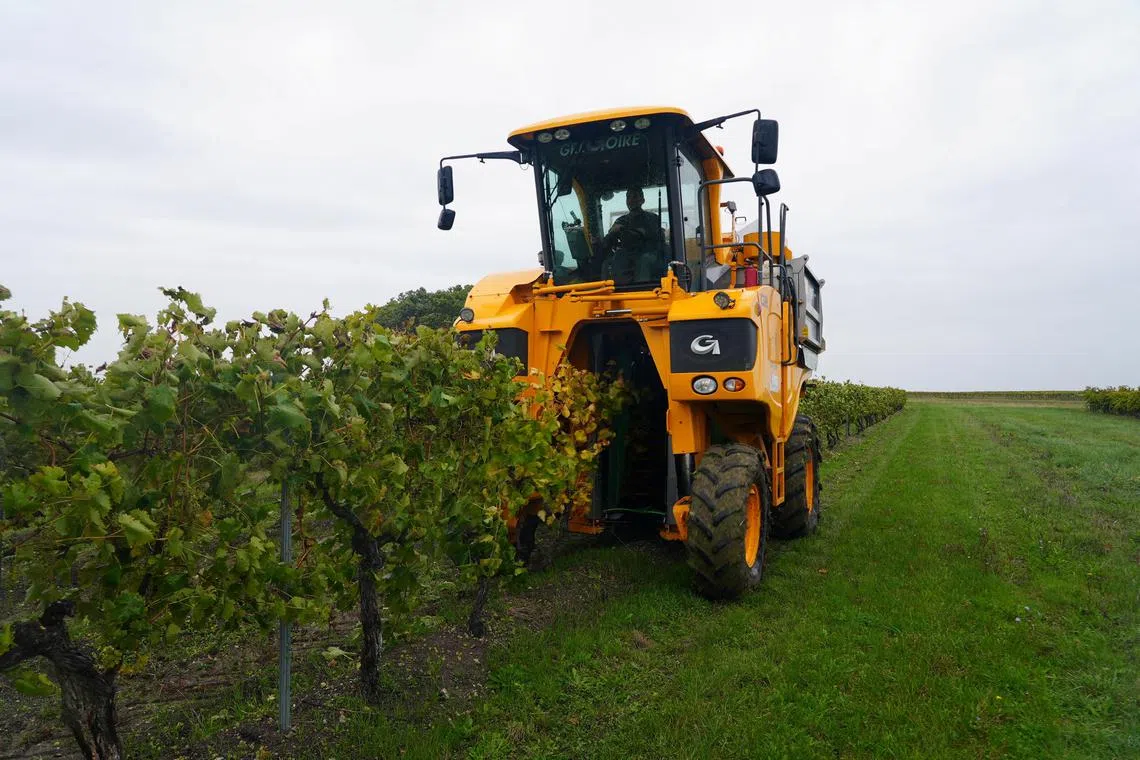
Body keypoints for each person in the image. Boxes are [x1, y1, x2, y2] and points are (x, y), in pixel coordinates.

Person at [599, 187, 666, 284]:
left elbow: (654, 236)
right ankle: (613, 291)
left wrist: (624, 230)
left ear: (642, 200)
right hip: (627, 255)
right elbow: (608, 242)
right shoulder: (621, 220)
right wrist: (610, 234)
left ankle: (642, 289)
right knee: (609, 262)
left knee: (644, 260)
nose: (630, 200)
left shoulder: (652, 218)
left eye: (634, 197)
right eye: (628, 197)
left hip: (648, 253)